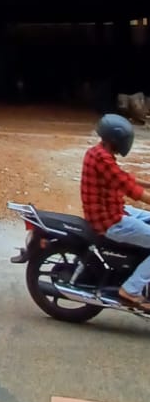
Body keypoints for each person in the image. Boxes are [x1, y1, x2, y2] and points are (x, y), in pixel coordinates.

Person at [80, 113, 150, 310]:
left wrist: (148, 184)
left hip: (115, 209)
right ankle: (130, 290)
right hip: (110, 221)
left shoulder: (97, 152)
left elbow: (121, 177)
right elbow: (129, 188)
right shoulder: (102, 158)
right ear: (115, 140)